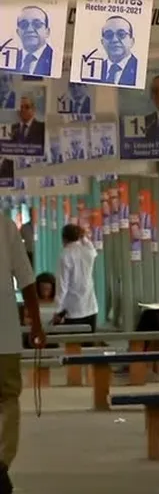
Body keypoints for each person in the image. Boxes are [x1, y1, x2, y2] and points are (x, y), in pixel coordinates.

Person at [0, 211, 44, 494]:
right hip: (3, 334)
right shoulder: (3, 225)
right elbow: (26, 279)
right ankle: (1, 463)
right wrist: (36, 324)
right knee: (7, 398)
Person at [53, 224, 98, 332]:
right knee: (89, 345)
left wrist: (58, 310)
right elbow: (89, 244)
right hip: (91, 307)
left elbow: (62, 285)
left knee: (73, 346)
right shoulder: (88, 251)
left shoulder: (65, 255)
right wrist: (82, 235)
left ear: (64, 238)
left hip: (73, 310)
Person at [100, 16, 138, 86]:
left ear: (132, 41)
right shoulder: (97, 69)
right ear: (102, 42)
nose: (115, 40)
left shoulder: (138, 69)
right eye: (109, 35)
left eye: (121, 34)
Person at [15, 6, 53, 76]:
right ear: (18, 32)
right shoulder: (12, 58)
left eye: (37, 24)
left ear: (47, 32)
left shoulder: (54, 58)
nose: (30, 29)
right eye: (24, 24)